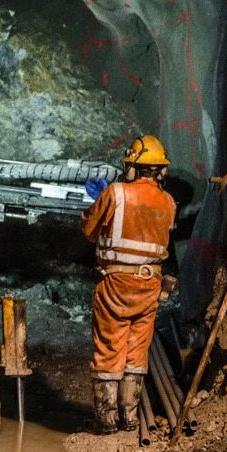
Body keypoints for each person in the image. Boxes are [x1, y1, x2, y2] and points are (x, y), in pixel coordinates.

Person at [80, 135, 177, 433]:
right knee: (137, 349)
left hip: (116, 283)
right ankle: (130, 417)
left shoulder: (115, 193)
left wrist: (95, 206)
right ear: (160, 171)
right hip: (150, 285)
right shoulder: (169, 202)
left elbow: (89, 231)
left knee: (110, 345)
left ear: (132, 167)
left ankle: (107, 419)